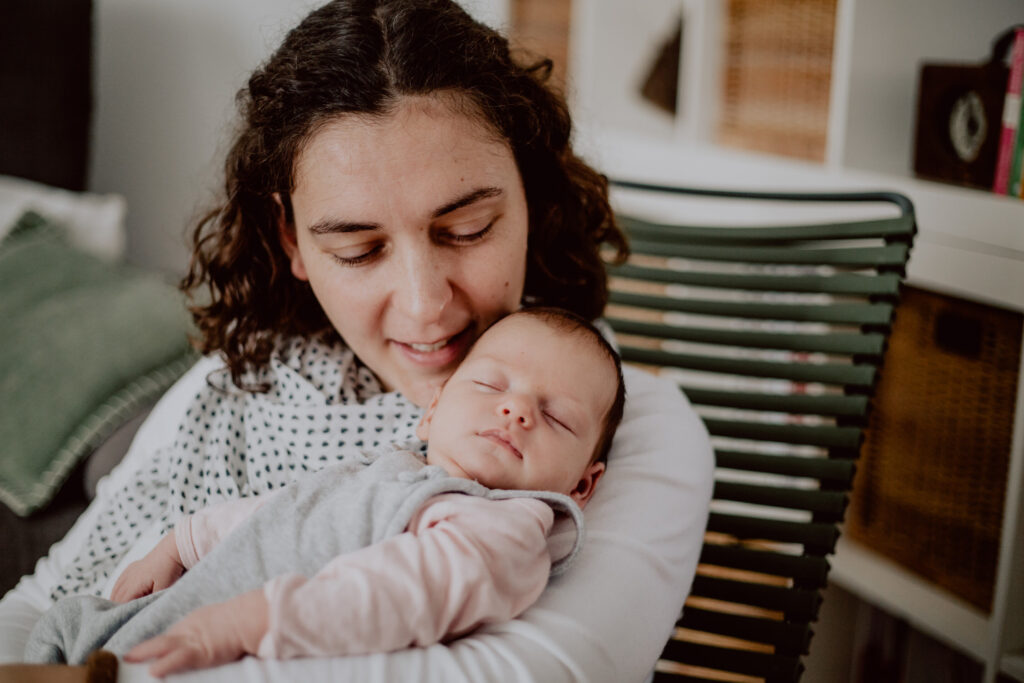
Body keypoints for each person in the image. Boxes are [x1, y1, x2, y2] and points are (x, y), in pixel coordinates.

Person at [0, 1, 714, 680]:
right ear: (294, 242)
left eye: (466, 230)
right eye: (359, 249)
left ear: (530, 194)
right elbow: (41, 602)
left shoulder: (631, 428)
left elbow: (522, 675)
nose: (424, 302)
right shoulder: (237, 381)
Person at [26, 308, 623, 674]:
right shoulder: (387, 466)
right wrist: (181, 542)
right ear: (431, 411)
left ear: (583, 483)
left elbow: (402, 592)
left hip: (236, 642)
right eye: (491, 383)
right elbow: (287, 511)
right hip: (168, 609)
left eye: (558, 419)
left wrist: (250, 623)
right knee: (58, 630)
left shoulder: (503, 526)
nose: (516, 409)